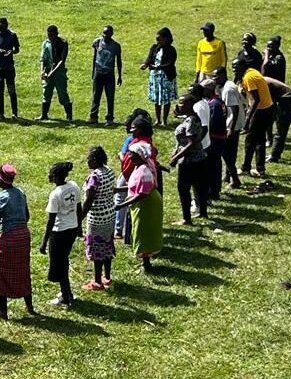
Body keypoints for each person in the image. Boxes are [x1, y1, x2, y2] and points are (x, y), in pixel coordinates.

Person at [0, 164, 35, 320]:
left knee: (1, 273)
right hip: (24, 236)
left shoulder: (1, 197)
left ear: (1, 180)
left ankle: (3, 312)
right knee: (23, 271)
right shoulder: (20, 192)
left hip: (9, 239)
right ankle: (30, 307)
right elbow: (27, 217)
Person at [116, 142, 163, 271]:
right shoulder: (138, 167)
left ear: (138, 156)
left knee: (143, 232)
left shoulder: (143, 171)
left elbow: (142, 193)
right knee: (140, 230)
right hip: (144, 202)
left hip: (146, 204)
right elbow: (135, 186)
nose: (128, 156)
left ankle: (146, 264)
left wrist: (122, 205)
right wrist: (118, 189)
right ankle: (144, 260)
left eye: (131, 154)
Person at [39, 161, 80, 307]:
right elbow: (78, 207)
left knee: (60, 266)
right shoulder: (74, 186)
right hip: (72, 229)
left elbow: (51, 221)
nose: (49, 175)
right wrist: (79, 228)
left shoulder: (55, 194)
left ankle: (66, 297)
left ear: (56, 176)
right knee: (64, 261)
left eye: (51, 173)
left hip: (59, 233)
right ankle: (67, 292)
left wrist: (44, 242)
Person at [81, 146, 117, 291]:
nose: (87, 162)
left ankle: (97, 282)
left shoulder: (94, 177)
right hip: (109, 214)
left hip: (97, 218)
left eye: (88, 159)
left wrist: (80, 217)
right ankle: (107, 277)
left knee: (97, 250)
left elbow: (89, 200)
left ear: (95, 160)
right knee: (107, 245)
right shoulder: (108, 171)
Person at [170, 93, 209, 224]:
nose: (179, 105)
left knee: (184, 189)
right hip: (200, 158)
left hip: (190, 161)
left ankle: (187, 218)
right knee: (199, 186)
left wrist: (176, 157)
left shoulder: (191, 120)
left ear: (190, 105)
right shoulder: (192, 117)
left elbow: (191, 144)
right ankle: (203, 212)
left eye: (182, 103)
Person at [235, 57, 275, 177]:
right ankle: (260, 168)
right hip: (268, 108)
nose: (234, 69)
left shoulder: (248, 77)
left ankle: (246, 167)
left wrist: (248, 119)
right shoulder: (253, 71)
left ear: (242, 67)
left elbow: (256, 99)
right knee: (260, 139)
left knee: (250, 140)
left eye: (236, 67)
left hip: (260, 110)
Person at [211, 66, 244, 189]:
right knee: (228, 152)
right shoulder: (222, 86)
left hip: (232, 126)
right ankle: (228, 175)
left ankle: (234, 179)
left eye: (216, 76)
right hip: (229, 124)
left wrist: (230, 129)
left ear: (223, 75)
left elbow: (234, 110)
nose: (214, 79)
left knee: (227, 153)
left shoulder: (228, 89)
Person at [141, 27, 178, 127]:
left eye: (159, 39)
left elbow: (170, 63)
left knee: (166, 99)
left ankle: (164, 121)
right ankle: (158, 120)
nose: (157, 41)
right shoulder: (154, 47)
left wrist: (158, 67)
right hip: (156, 77)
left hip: (166, 77)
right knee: (157, 99)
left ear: (166, 39)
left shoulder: (171, 50)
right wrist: (145, 64)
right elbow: (149, 58)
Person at [38, 25, 73, 121]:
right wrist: (42, 71)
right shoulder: (46, 43)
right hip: (48, 70)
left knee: (62, 93)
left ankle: (69, 116)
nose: (51, 37)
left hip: (59, 72)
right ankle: (44, 115)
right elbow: (42, 58)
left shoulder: (63, 43)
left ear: (57, 34)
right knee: (46, 92)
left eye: (52, 35)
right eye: (49, 35)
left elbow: (62, 60)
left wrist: (53, 72)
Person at [200, 79, 228, 201]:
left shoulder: (214, 105)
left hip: (214, 140)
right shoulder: (218, 101)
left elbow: (212, 124)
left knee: (212, 167)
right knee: (215, 165)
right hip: (219, 139)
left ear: (208, 90)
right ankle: (215, 190)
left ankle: (213, 191)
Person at [0, 17, 20, 119]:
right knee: (0, 90)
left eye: (3, 26)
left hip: (9, 66)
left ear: (7, 25)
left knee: (11, 89)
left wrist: (12, 51)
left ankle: (14, 113)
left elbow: (17, 49)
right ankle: (1, 114)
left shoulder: (12, 35)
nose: (0, 28)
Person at [90, 25, 122, 125]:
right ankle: (93, 116)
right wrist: (93, 71)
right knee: (96, 95)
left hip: (109, 74)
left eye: (107, 34)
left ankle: (109, 118)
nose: (105, 36)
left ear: (111, 34)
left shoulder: (116, 46)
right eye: (104, 34)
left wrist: (120, 75)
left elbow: (119, 61)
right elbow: (94, 57)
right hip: (98, 72)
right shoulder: (97, 42)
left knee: (110, 96)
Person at [264, 76, 291, 163]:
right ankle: (275, 153)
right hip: (284, 98)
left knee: (281, 128)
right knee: (280, 128)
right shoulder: (263, 80)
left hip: (288, 99)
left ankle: (274, 156)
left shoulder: (264, 84)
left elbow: (269, 102)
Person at [262, 36, 286, 147]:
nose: (268, 48)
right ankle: (268, 137)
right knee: (268, 114)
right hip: (267, 89)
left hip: (275, 91)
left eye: (271, 46)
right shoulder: (271, 56)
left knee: (272, 115)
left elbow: (266, 66)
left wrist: (266, 56)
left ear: (277, 46)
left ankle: (270, 139)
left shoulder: (279, 58)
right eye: (267, 46)